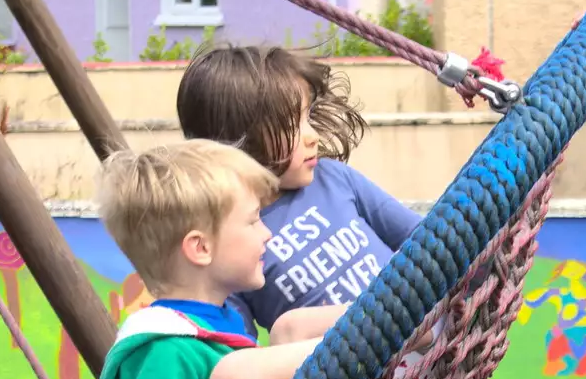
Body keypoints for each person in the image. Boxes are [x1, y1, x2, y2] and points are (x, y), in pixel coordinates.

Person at [96, 140, 323, 379]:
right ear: (200, 248)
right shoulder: (166, 349)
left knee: (291, 325)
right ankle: (382, 345)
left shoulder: (217, 320)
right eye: (253, 221)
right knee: (240, 373)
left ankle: (403, 317)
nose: (266, 233)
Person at [175, 43, 420, 338]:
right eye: (292, 124)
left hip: (420, 328)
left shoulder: (332, 178)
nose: (313, 136)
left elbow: (424, 240)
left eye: (308, 117)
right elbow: (240, 352)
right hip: (354, 373)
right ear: (241, 137)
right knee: (289, 330)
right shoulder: (230, 238)